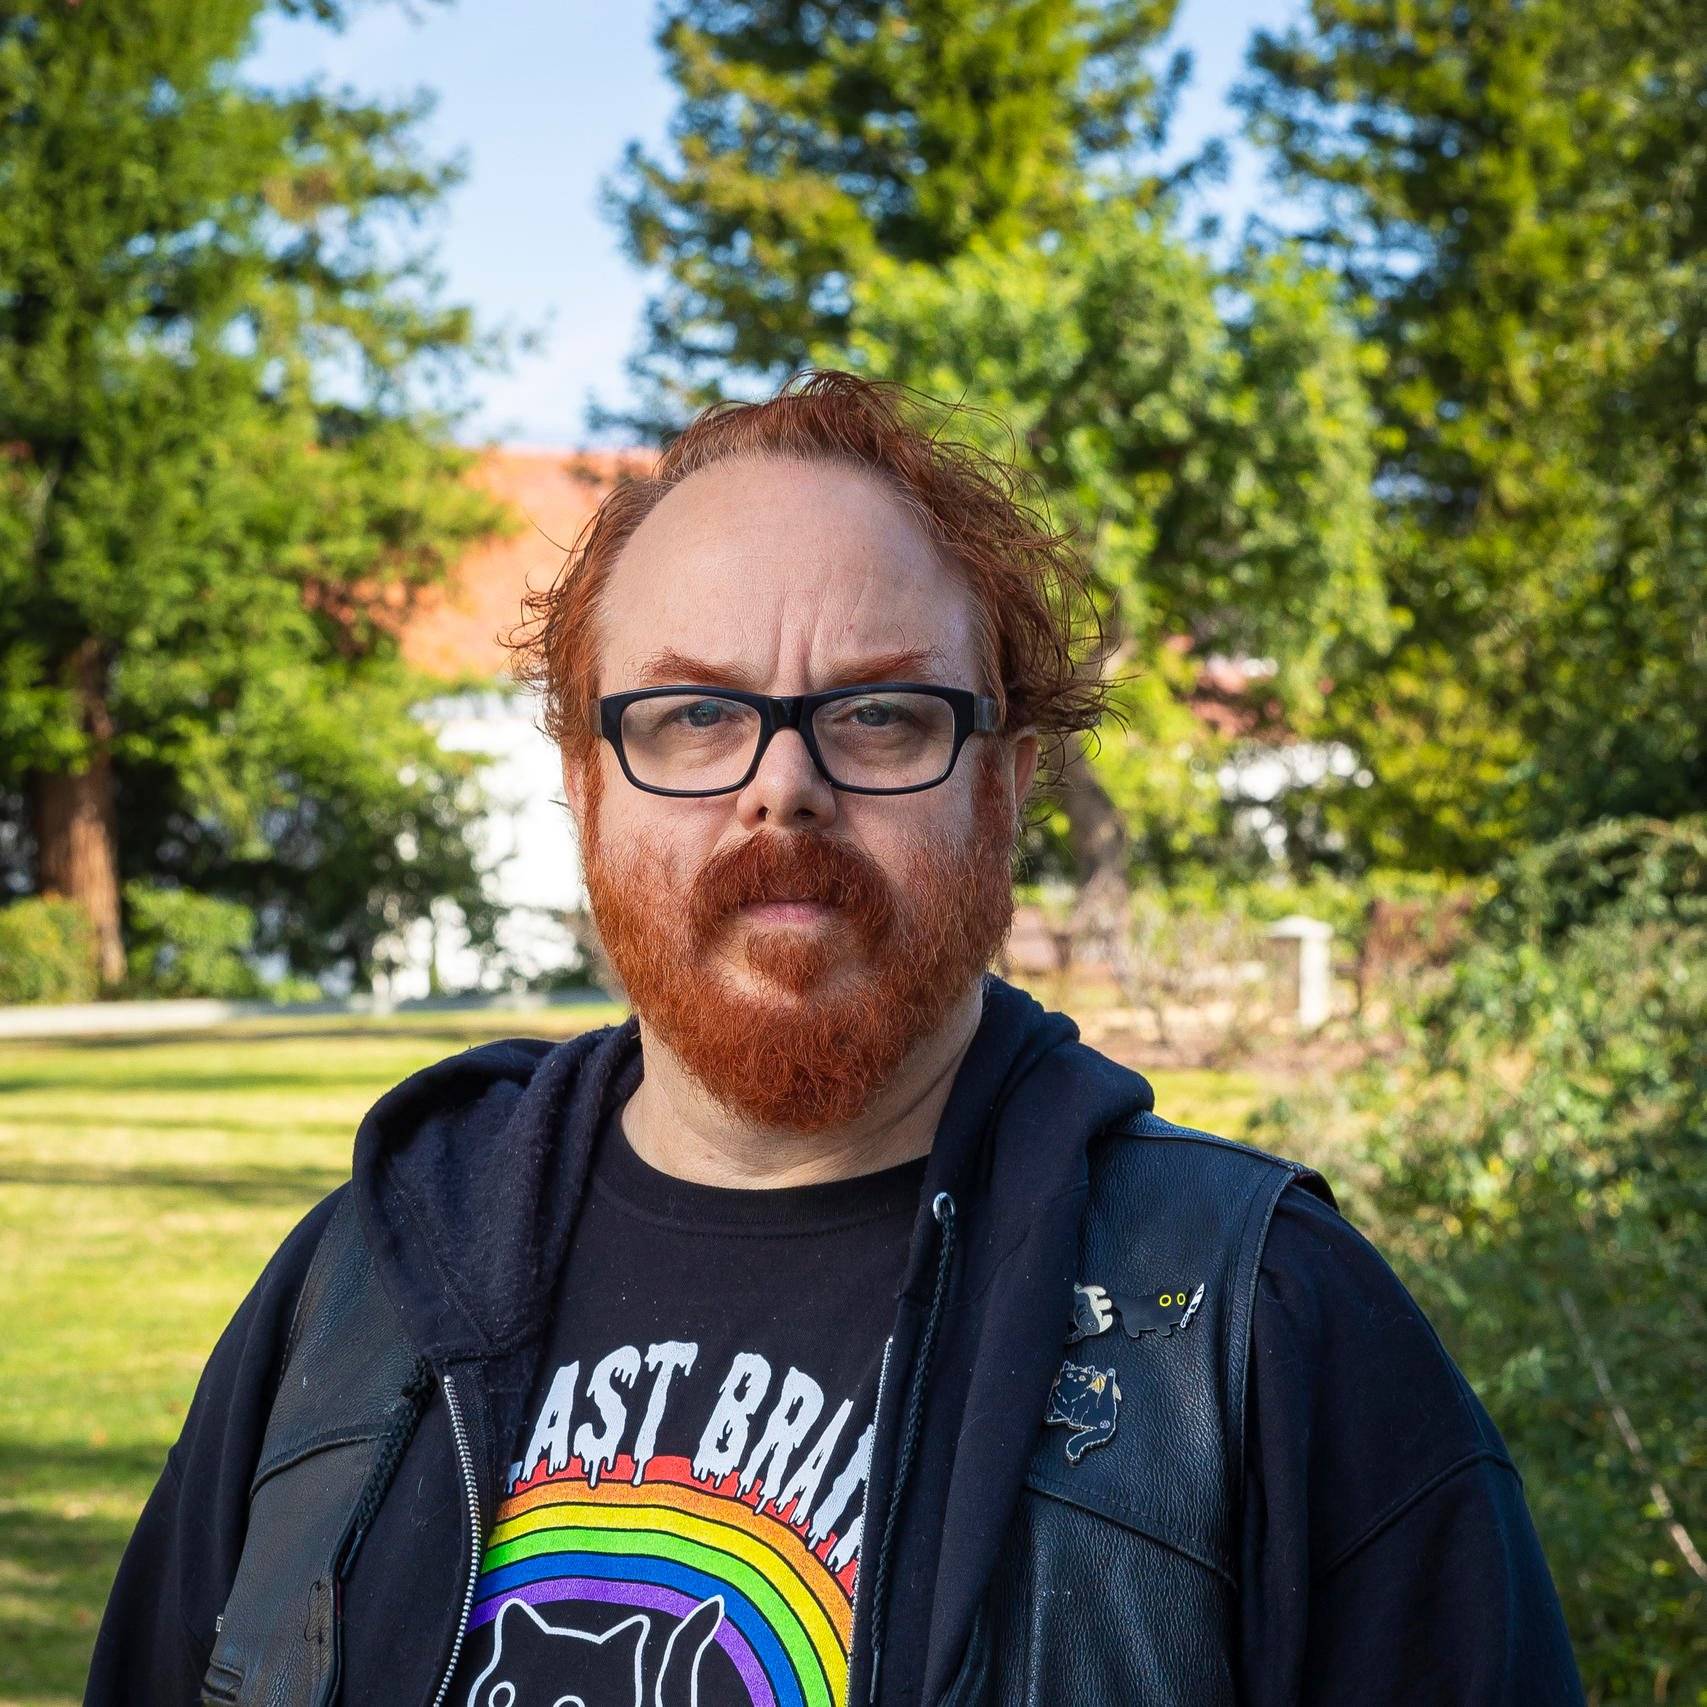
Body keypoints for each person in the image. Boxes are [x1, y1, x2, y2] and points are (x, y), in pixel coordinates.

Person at [85, 370, 1586, 1706]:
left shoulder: (1259, 1336)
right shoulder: (360, 1289)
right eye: (689, 715)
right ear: (585, 783)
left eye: (877, 715)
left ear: (1005, 781)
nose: (780, 792)